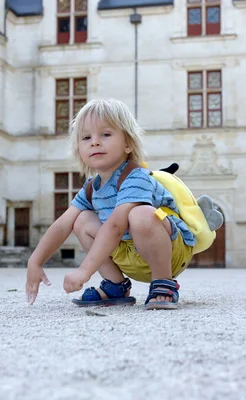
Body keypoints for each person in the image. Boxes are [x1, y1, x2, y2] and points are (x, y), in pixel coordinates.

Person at [25, 98, 197, 310]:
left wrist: (84, 271)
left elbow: (116, 226)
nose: (94, 142)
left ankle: (164, 283)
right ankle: (116, 285)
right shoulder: (91, 187)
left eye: (105, 134)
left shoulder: (136, 176)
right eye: (86, 137)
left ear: (128, 144)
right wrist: (35, 261)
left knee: (140, 214)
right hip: (129, 254)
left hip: (169, 252)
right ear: (79, 149)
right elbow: (62, 224)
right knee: (80, 220)